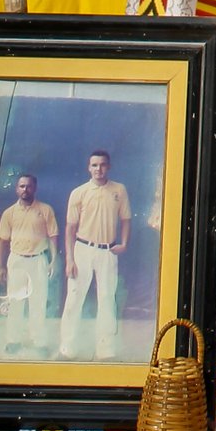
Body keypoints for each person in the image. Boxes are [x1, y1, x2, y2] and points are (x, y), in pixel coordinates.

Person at [59, 149, 130, 362]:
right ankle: (67, 348)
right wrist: (70, 259)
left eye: (102, 165)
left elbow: (126, 219)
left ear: (109, 166)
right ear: (89, 167)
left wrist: (124, 244)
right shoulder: (78, 192)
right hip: (82, 250)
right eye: (94, 165)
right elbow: (70, 229)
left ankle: (105, 350)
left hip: (107, 251)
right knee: (74, 299)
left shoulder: (119, 190)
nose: (98, 169)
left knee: (107, 299)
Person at [0, 173, 58, 358]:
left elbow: (53, 236)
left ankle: (39, 342)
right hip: (17, 260)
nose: (25, 190)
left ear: (35, 188)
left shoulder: (45, 210)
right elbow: (2, 241)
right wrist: (0, 266)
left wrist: (52, 260)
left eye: (29, 186)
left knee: (38, 303)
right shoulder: (9, 213)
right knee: (15, 302)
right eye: (22, 186)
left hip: (38, 259)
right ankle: (13, 340)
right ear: (17, 189)